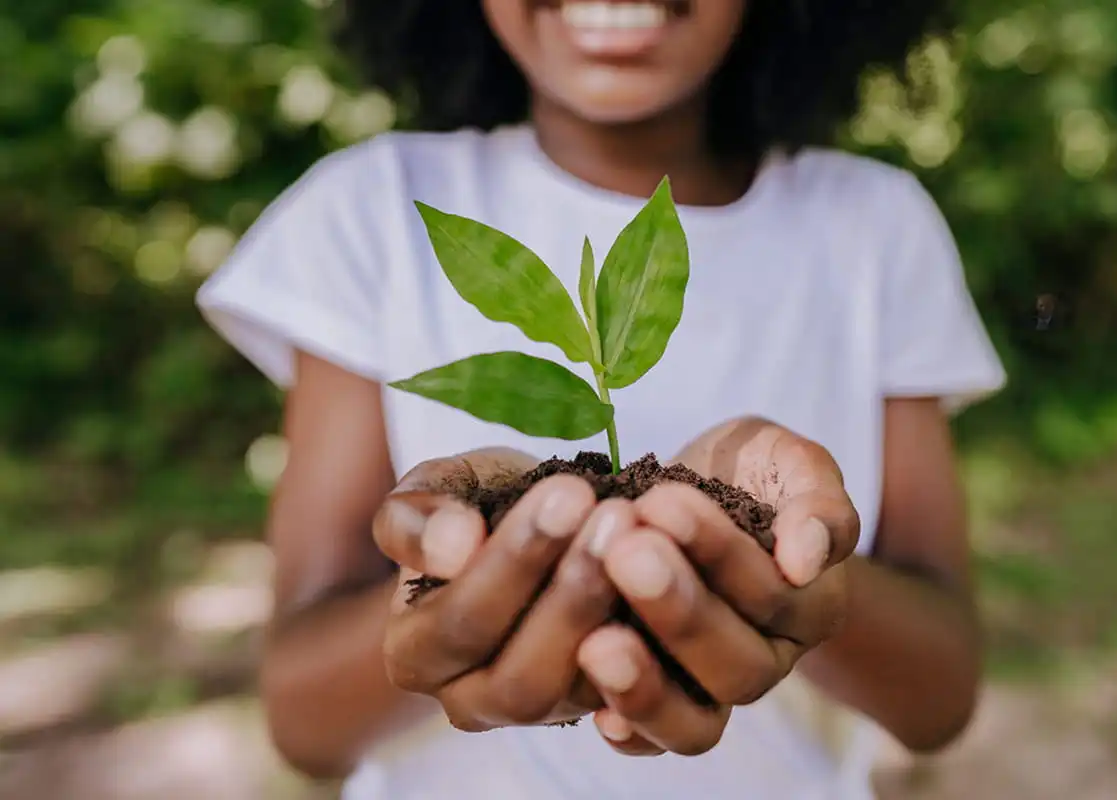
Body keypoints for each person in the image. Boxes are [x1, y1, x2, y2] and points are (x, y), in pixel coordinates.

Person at [196, 0, 1007, 797]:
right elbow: (303, 721)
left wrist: (795, 576)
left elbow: (939, 699)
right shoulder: (369, 211)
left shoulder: (873, 226)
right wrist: (467, 588)